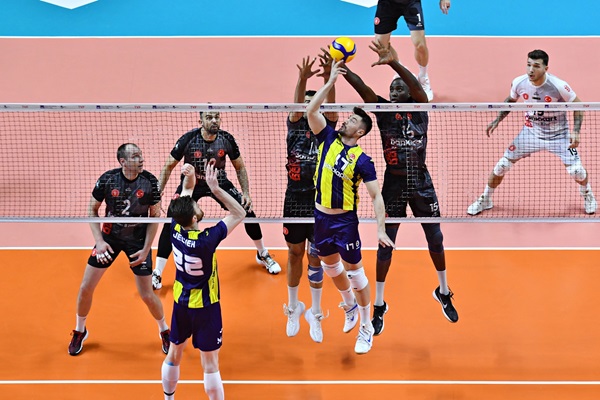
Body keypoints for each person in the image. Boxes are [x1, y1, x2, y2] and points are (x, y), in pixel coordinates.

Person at [341, 41, 459, 336]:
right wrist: (344, 71)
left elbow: (419, 90)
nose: (394, 91)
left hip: (421, 181)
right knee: (386, 244)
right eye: (391, 88)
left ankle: (443, 291)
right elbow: (365, 91)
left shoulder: (420, 110)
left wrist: (394, 62)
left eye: (399, 88)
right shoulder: (384, 113)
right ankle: (379, 304)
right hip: (393, 184)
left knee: (435, 238)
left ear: (408, 92)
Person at [306, 59, 395, 354]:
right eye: (349, 118)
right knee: (330, 268)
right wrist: (330, 81)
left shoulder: (363, 161)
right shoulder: (327, 137)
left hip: (344, 222)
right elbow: (311, 111)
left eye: (354, 120)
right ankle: (349, 306)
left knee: (356, 275)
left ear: (360, 132)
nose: (347, 120)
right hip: (320, 218)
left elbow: (376, 196)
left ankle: (366, 327)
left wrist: (380, 229)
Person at [152, 111, 282, 290]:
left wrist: (246, 192)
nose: (214, 120)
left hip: (218, 182)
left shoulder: (226, 139)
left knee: (248, 211)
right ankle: (157, 272)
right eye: (209, 117)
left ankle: (262, 253)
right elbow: (168, 166)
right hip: (192, 183)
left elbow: (240, 167)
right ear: (201, 121)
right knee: (172, 220)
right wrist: (158, 192)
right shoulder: (188, 139)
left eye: (216, 117)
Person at [68, 143, 170, 356]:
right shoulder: (108, 180)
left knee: (147, 294)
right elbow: (92, 209)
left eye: (141, 155)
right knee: (86, 287)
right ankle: (80, 330)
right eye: (135, 156)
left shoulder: (150, 182)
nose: (141, 159)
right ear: (123, 161)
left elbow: (155, 217)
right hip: (110, 240)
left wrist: (146, 249)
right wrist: (99, 241)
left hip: (137, 243)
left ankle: (165, 331)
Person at [467, 49, 597, 216]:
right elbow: (510, 101)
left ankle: (588, 195)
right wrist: (497, 120)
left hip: (559, 136)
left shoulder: (558, 86)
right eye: (528, 65)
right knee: (501, 166)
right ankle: (485, 199)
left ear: (545, 68)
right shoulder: (519, 82)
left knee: (577, 171)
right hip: (530, 133)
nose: (530, 70)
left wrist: (576, 131)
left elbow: (579, 106)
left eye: (536, 66)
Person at [161, 163, 245, 400]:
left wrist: (188, 177)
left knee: (174, 354)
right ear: (194, 217)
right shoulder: (207, 240)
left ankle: (168, 398)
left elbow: (187, 192)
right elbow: (239, 213)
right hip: (206, 307)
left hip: (181, 303)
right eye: (197, 205)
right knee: (210, 363)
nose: (199, 204)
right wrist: (215, 189)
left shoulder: (175, 227)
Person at [282, 53, 338, 343]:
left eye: (313, 101)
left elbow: (332, 110)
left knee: (316, 256)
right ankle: (294, 307)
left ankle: (315, 312)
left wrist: (329, 78)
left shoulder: (327, 131)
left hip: (320, 201)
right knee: (294, 254)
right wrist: (302, 79)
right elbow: (296, 107)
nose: (308, 105)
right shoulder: (294, 126)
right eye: (306, 101)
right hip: (294, 198)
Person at [374, 0, 451, 101]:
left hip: (410, 3)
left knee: (420, 45)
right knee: (380, 44)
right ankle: (402, 70)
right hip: (387, 4)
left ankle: (423, 78)